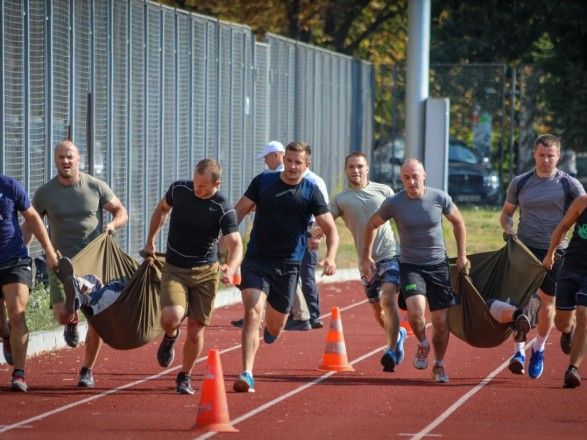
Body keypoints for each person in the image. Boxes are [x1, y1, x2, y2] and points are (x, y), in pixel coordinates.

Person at [232, 141, 339, 393]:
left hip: (289, 265)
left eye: (297, 162)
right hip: (257, 259)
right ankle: (247, 372)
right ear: (283, 160)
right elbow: (238, 211)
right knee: (252, 312)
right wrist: (228, 239)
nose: (291, 166)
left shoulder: (311, 191)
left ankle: (272, 329)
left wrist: (331, 256)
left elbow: (331, 229)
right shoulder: (263, 182)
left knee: (274, 326)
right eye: (288, 160)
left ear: (306, 165)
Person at [23, 140, 128, 388]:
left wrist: (112, 225)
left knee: (97, 320)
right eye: (60, 157)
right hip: (60, 264)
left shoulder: (94, 186)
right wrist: (19, 247)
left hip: (92, 264)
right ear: (55, 160)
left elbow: (121, 211)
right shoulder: (45, 193)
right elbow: (30, 224)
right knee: (62, 315)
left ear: (78, 159)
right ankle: (70, 320)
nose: (65, 161)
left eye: (69, 156)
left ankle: (86, 370)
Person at [361, 159, 468, 383]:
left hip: (438, 266)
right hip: (411, 266)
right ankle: (422, 343)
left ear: (424, 175)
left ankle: (439, 364)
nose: (411, 182)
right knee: (415, 312)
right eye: (406, 178)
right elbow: (372, 224)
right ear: (402, 179)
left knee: (440, 323)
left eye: (415, 176)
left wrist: (461, 255)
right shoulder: (394, 203)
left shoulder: (439, 197)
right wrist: (366, 256)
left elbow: (458, 222)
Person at [142, 159, 242, 395]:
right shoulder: (179, 189)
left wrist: (231, 266)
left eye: (203, 187)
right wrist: (150, 240)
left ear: (217, 183)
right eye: (196, 183)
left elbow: (235, 244)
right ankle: (170, 335)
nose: (197, 189)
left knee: (196, 328)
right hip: (175, 266)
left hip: (206, 272)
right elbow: (162, 209)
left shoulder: (222, 207)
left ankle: (184, 376)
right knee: (171, 317)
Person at [500, 134, 585, 378]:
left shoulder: (569, 184)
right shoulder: (521, 182)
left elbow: (582, 212)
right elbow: (506, 214)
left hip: (557, 251)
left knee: (548, 307)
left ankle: (537, 349)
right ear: (534, 155)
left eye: (550, 156)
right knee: (518, 302)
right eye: (541, 155)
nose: (546, 160)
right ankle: (518, 352)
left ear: (558, 156)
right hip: (525, 249)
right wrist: (509, 228)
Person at [330, 152, 406, 372]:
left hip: (390, 255)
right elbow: (325, 221)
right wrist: (314, 233)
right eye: (351, 167)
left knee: (388, 297)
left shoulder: (384, 191)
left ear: (367, 168)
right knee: (376, 310)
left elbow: (401, 218)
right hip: (365, 262)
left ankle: (390, 350)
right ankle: (398, 334)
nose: (356, 170)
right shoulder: (340, 200)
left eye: (360, 166)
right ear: (346, 170)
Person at [0, 174, 59, 391]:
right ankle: (6, 335)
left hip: (14, 260)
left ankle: (19, 373)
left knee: (17, 312)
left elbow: (33, 218)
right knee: (3, 326)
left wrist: (50, 253)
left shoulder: (9, 186)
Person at [543, 194, 587, 388]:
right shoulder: (582, 202)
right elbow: (562, 227)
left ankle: (572, 369)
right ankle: (568, 330)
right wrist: (550, 253)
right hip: (571, 267)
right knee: (561, 322)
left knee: (584, 313)